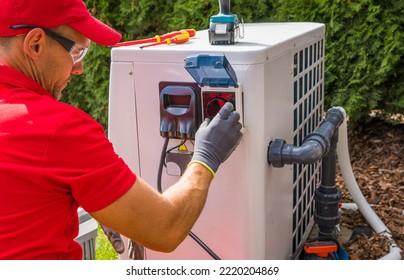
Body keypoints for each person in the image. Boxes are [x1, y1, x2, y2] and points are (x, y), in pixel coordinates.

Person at [0, 0, 242, 260]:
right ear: (35, 43)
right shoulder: (58, 128)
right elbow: (165, 228)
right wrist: (206, 158)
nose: (79, 69)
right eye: (76, 52)